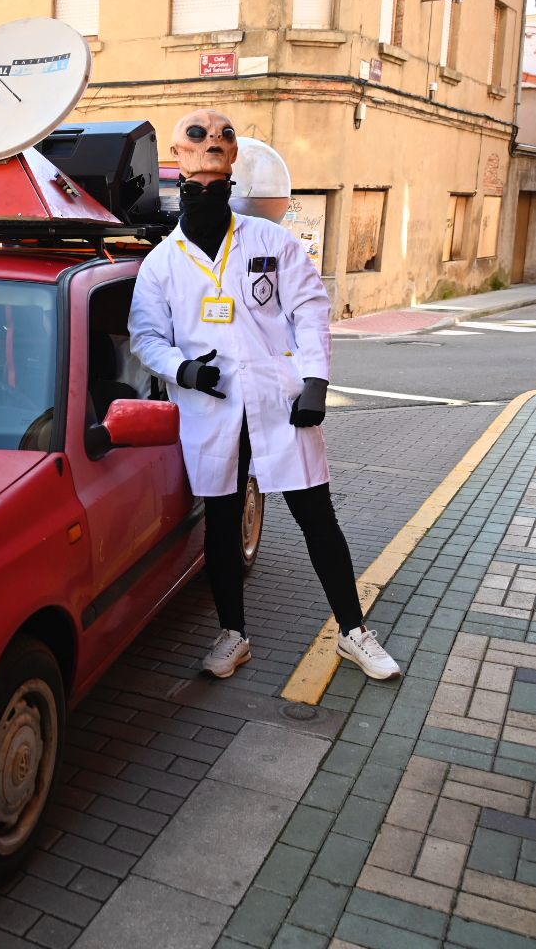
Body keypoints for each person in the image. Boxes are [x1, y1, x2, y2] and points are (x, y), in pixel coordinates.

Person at [128, 109, 401, 682]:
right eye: (197, 137)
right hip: (213, 409)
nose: (212, 143)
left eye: (223, 138)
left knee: (317, 518)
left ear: (234, 166)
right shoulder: (161, 264)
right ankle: (233, 634)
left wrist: (316, 381)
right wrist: (184, 370)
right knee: (222, 526)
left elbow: (310, 310)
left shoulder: (272, 241)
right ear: (179, 167)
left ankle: (353, 632)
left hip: (281, 403)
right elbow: (146, 337)